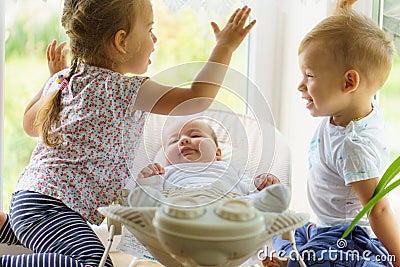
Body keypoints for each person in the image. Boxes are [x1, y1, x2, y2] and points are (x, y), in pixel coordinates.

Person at [0, 0, 256, 266]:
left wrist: (51, 80)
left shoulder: (63, 79)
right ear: (121, 41)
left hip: (31, 199)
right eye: (149, 29)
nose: (154, 39)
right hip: (51, 208)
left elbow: (30, 126)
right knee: (94, 263)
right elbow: (196, 98)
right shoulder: (127, 90)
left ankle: (7, 227)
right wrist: (224, 48)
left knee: (60, 243)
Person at [264, 1, 400, 267]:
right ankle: (295, 255)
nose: (300, 85)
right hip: (324, 226)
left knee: (324, 258)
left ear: (349, 82)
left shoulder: (353, 146)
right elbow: (342, 55)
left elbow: (379, 209)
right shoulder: (351, 106)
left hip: (348, 237)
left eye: (310, 75)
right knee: (287, 228)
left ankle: (294, 262)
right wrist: (343, 13)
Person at [137, 117, 283, 196]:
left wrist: (263, 184)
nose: (184, 140)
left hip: (230, 208)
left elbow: (249, 188)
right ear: (166, 159)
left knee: (257, 200)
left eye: (195, 135)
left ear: (217, 154)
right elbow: (152, 196)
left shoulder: (227, 169)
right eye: (174, 141)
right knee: (145, 200)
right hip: (178, 210)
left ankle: (274, 200)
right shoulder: (166, 173)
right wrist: (149, 179)